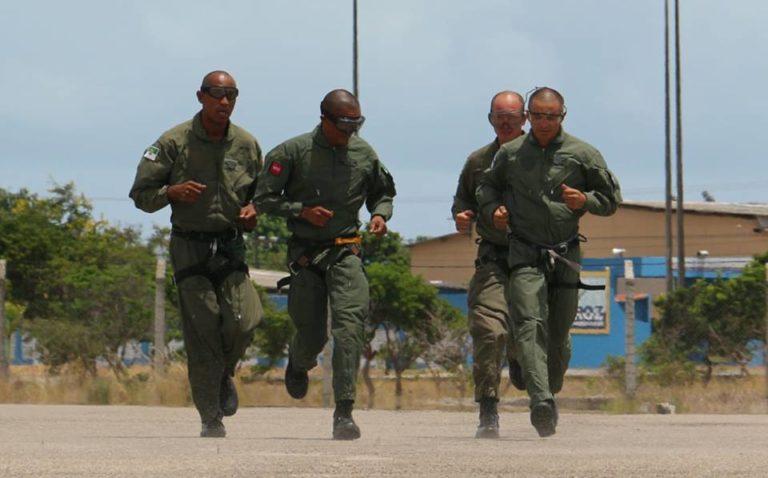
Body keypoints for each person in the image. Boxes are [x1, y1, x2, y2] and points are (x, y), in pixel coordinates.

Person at [477, 87, 621, 437]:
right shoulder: (510, 154)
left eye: (551, 116)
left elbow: (610, 199)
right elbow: (486, 188)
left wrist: (583, 200)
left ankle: (546, 384)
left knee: (557, 333)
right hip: (524, 251)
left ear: (562, 116)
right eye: (537, 116)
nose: (543, 123)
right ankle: (541, 402)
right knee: (529, 321)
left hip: (566, 253)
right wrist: (493, 210)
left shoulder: (583, 154)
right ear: (528, 115)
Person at [253, 89, 395, 440]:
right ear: (324, 119)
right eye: (344, 125)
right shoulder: (291, 152)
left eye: (356, 124)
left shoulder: (363, 153)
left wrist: (379, 214)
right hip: (306, 255)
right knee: (312, 334)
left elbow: (383, 192)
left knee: (350, 328)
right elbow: (264, 198)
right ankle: (298, 362)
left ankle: (344, 413)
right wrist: (301, 210)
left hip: (347, 250)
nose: (351, 132)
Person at [129, 70, 263, 438]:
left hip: (231, 243)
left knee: (245, 319)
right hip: (190, 245)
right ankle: (210, 416)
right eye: (217, 94)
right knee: (203, 328)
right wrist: (171, 192)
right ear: (200, 96)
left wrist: (254, 211)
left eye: (231, 95)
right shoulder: (173, 143)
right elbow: (141, 195)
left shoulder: (247, 145)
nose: (225, 102)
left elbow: (260, 196)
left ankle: (223, 374)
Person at [451, 91, 527, 439]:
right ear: (491, 119)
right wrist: (463, 216)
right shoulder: (479, 161)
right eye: (500, 115)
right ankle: (488, 408)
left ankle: (525, 366)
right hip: (494, 259)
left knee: (536, 333)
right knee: (488, 330)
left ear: (525, 118)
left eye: (513, 115)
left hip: (537, 258)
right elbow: (462, 201)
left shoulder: (544, 158)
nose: (506, 121)